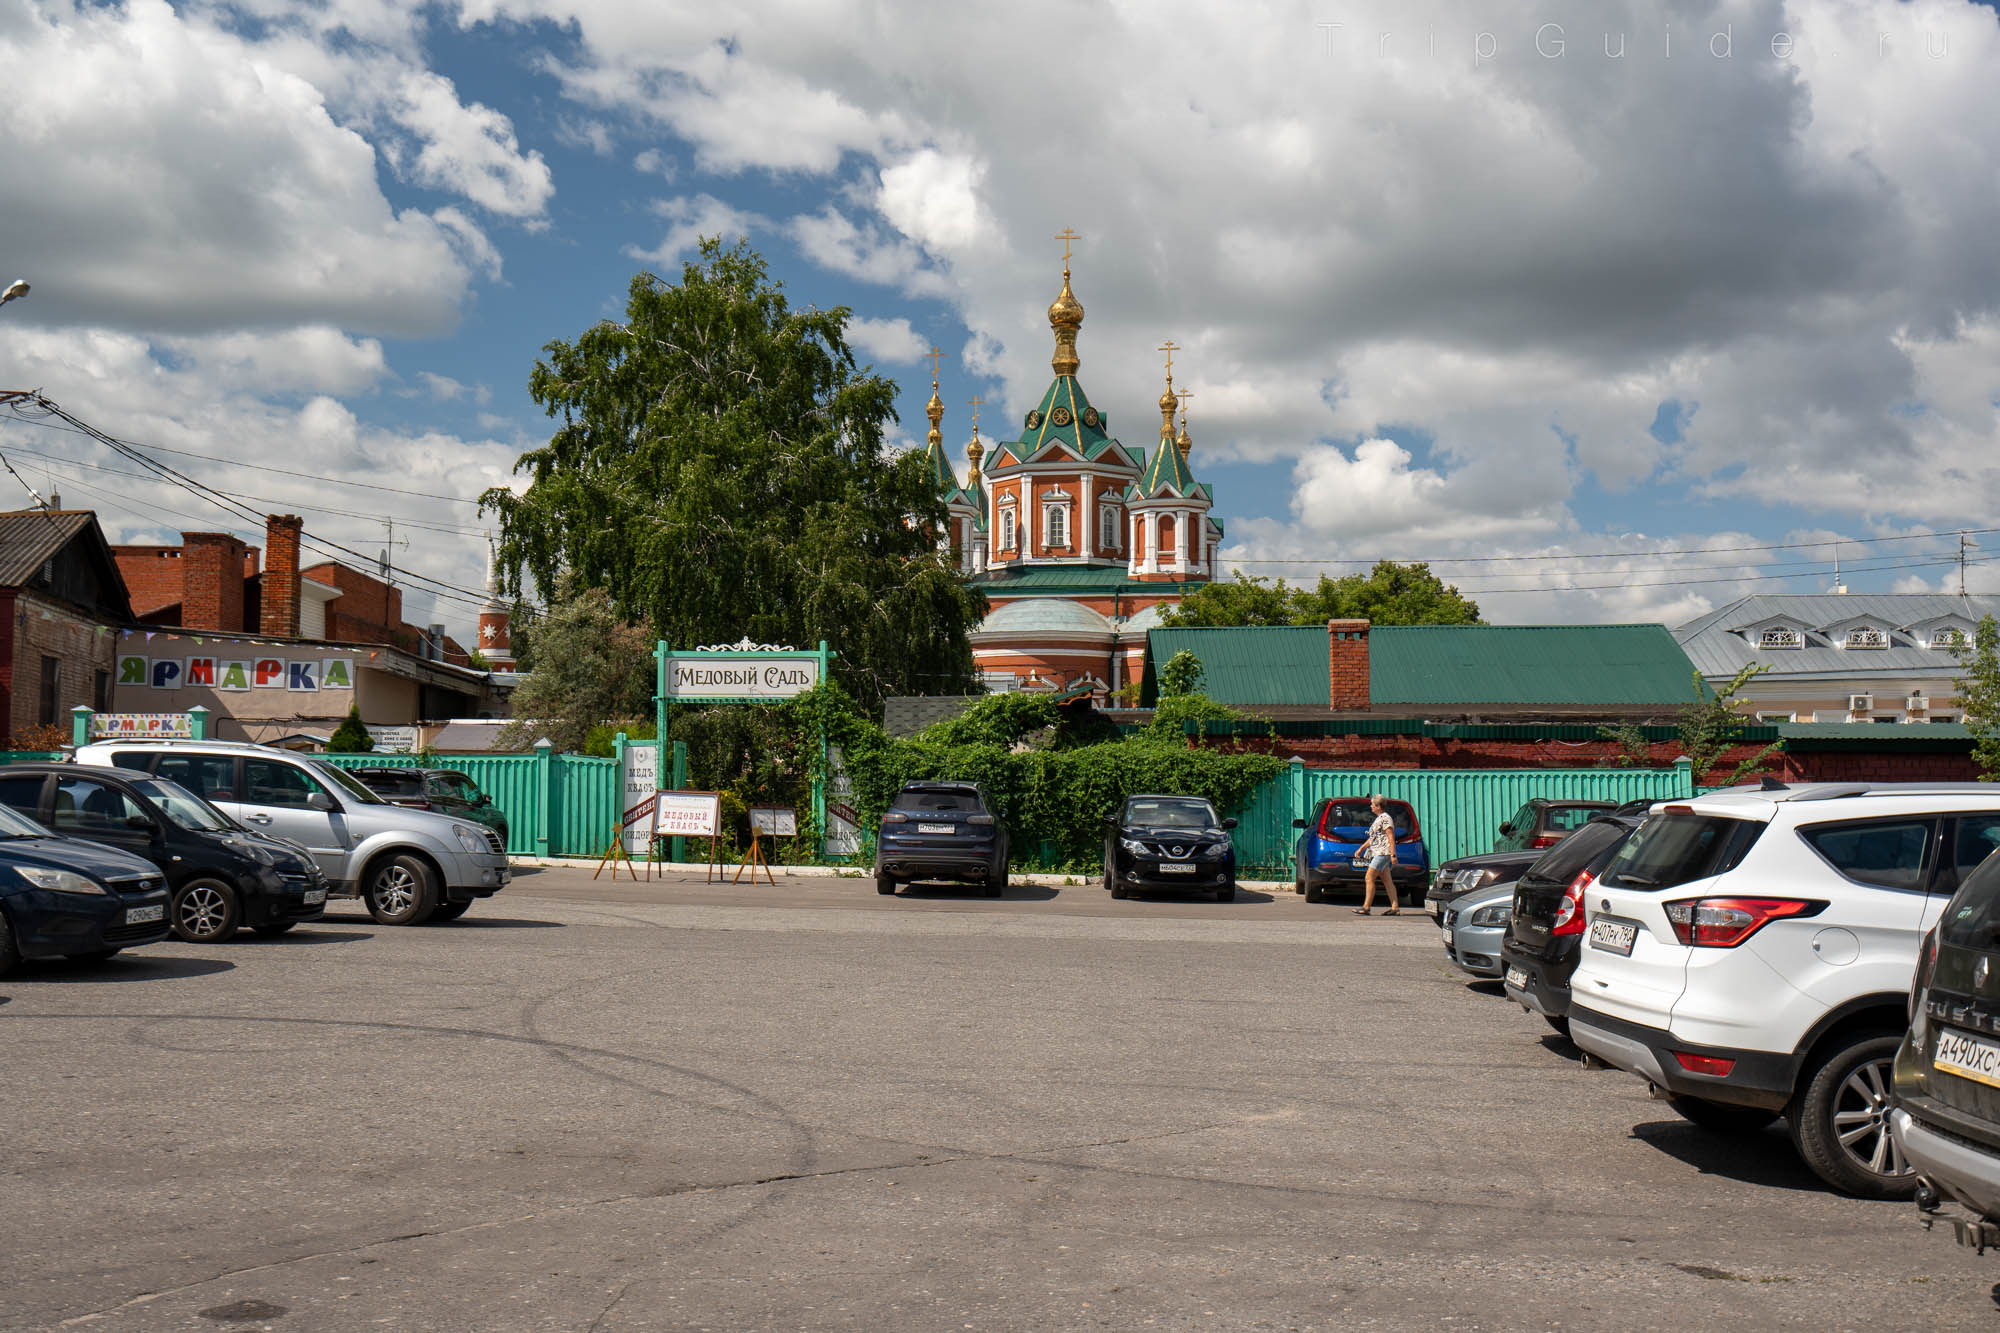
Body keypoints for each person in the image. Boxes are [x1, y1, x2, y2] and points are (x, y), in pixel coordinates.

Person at [1352, 794, 1400, 916]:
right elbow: (1373, 838)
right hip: (1378, 852)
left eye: (1373, 804)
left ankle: (1366, 907)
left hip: (1383, 853)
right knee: (1387, 880)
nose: (1371, 806)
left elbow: (1390, 836)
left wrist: (1393, 855)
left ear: (1378, 806)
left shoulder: (1385, 819)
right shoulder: (1379, 819)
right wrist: (1361, 849)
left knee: (1369, 877)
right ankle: (1395, 908)